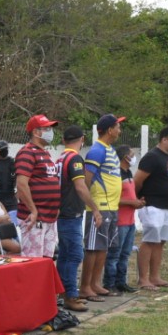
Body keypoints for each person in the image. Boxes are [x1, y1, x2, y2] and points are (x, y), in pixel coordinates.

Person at [56, 125, 102, 312]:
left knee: (65, 256)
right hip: (70, 213)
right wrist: (95, 209)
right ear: (82, 139)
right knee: (75, 255)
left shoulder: (60, 158)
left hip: (62, 212)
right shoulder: (74, 159)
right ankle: (70, 295)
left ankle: (62, 292)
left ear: (63, 140)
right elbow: (81, 187)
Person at [79, 114, 124, 300]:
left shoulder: (110, 149)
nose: (120, 130)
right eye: (118, 127)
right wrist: (93, 206)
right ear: (109, 130)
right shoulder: (97, 151)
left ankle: (96, 283)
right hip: (100, 207)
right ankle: (85, 287)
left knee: (103, 247)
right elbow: (86, 180)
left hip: (112, 207)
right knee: (92, 248)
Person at [135, 126, 168, 290]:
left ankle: (155, 277)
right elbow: (138, 180)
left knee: (160, 242)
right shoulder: (152, 157)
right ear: (164, 139)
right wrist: (137, 198)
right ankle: (143, 279)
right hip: (152, 206)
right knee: (149, 241)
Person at [15, 114, 61, 258]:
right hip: (35, 219)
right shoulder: (27, 152)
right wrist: (33, 210)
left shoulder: (45, 153)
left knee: (47, 260)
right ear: (36, 132)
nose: (50, 132)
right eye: (46, 128)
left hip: (49, 218)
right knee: (33, 261)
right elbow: (21, 184)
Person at [104, 146, 144, 293]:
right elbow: (113, 198)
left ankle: (121, 282)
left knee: (125, 254)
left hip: (130, 221)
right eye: (131, 154)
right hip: (119, 221)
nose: (134, 157)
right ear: (125, 157)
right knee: (114, 254)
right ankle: (109, 283)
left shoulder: (128, 172)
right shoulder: (116, 174)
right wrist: (131, 203)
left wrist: (137, 202)